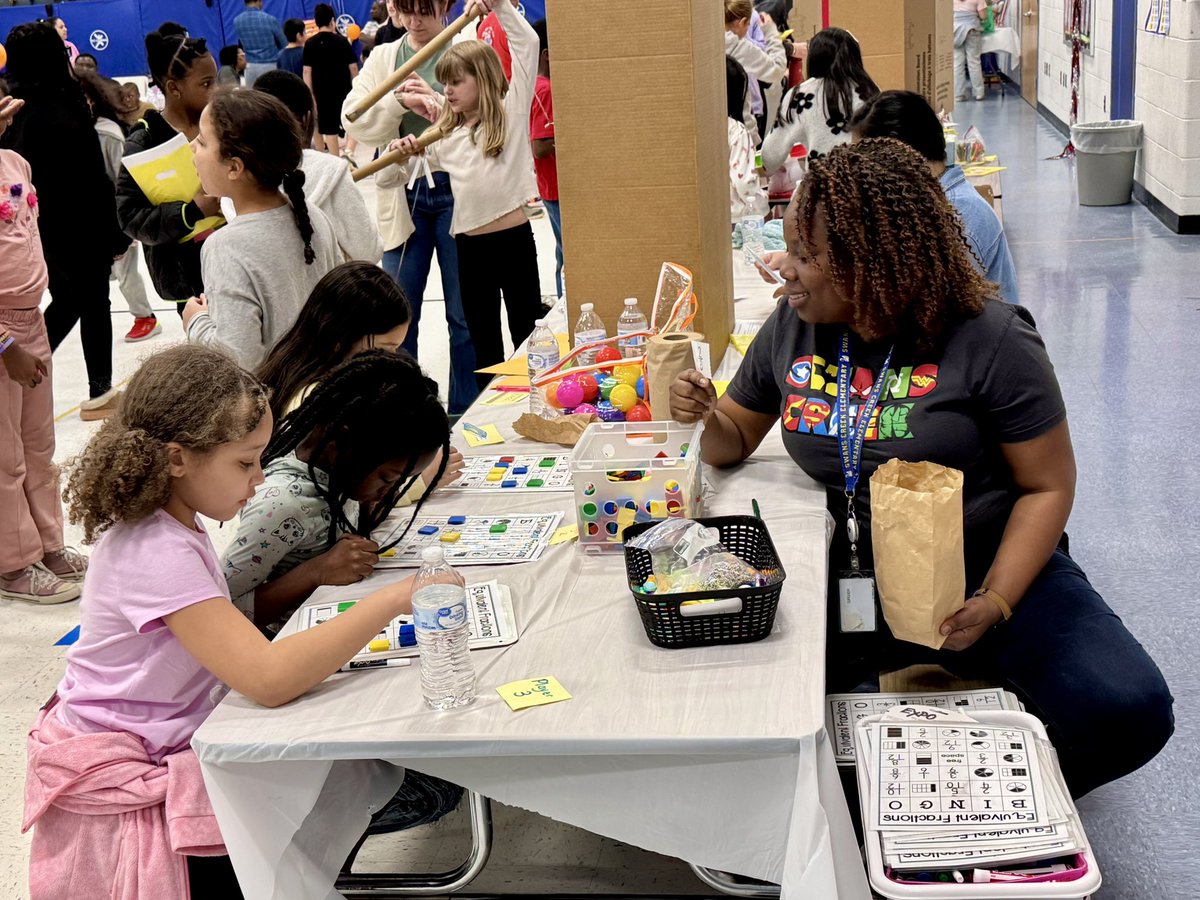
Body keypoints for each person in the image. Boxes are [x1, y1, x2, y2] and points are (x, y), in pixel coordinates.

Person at [669, 138, 1174, 799]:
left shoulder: (992, 338)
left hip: (985, 568)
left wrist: (996, 599)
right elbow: (733, 438)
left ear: (871, 261)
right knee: (755, 720)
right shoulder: (794, 327)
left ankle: (991, 814)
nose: (784, 269)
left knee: (1127, 707)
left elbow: (1047, 485)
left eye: (806, 256)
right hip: (851, 577)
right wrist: (704, 414)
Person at [25, 345, 419, 898]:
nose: (259, 477)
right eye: (245, 462)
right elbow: (268, 678)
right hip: (137, 758)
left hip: (170, 731)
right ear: (177, 459)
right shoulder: (156, 550)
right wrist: (397, 599)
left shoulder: (173, 522)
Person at [225, 349, 453, 630]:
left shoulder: (337, 469)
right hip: (287, 641)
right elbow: (221, 613)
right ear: (343, 444)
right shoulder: (282, 504)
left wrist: (368, 509)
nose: (390, 492)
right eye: (386, 479)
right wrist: (316, 572)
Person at [391, 0, 542, 393]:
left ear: (484, 79)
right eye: (445, 83)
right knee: (483, 343)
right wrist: (402, 152)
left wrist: (500, 6)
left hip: (513, 243)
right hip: (470, 251)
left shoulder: (509, 114)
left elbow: (527, 44)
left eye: (456, 82)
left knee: (526, 330)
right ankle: (491, 413)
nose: (447, 90)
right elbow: (404, 173)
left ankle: (535, 404)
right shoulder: (447, 137)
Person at [342, 0, 476, 416]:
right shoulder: (385, 56)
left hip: (459, 190)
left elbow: (490, 113)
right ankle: (405, 416)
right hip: (404, 192)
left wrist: (436, 103)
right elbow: (353, 119)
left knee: (464, 316)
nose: (415, 21)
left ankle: (464, 413)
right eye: (406, 10)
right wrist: (399, 102)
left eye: (425, 10)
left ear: (445, 5)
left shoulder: (466, 43)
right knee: (396, 317)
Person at [0, 22, 128, 421]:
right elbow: (93, 178)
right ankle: (99, 389)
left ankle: (25, 362)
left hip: (35, 229)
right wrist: (115, 233)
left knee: (71, 300)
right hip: (79, 225)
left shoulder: (13, 110)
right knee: (92, 302)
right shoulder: (66, 105)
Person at [0, 94, 88, 605]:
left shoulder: (16, 163)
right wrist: (5, 345)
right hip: (2, 334)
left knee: (38, 445)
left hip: (30, 319)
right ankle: (13, 563)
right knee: (5, 456)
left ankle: (47, 543)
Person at [183, 90, 339, 370]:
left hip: (275, 395)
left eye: (202, 141)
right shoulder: (312, 215)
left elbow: (238, 360)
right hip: (325, 383)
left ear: (234, 167)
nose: (192, 146)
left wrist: (196, 322)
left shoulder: (226, 247)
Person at [849, 90, 1018, 303]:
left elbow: (926, 304)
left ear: (898, 159)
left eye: (863, 166)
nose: (860, 178)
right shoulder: (923, 202)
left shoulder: (959, 215)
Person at [115, 24, 221, 319]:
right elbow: (129, 216)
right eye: (206, 84)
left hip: (236, 256)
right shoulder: (144, 141)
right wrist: (191, 212)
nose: (215, 91)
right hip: (187, 276)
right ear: (174, 88)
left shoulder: (222, 122)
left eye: (216, 80)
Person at [253, 69, 383, 263]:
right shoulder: (332, 171)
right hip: (332, 281)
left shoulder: (238, 182)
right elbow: (368, 251)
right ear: (307, 120)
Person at [78, 72, 161, 343]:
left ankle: (145, 316)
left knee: (126, 271)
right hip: (97, 218)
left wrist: (126, 224)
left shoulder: (108, 133)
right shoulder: (80, 129)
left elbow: (123, 182)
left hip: (118, 219)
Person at [761, 26, 879, 174]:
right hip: (868, 181)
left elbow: (770, 157)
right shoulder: (870, 90)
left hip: (822, 182)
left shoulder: (800, 95)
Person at [529, 18, 562, 299]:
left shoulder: (538, 86)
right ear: (548, 54)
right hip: (556, 188)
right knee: (568, 257)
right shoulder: (545, 90)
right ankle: (566, 306)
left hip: (552, 187)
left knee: (564, 254)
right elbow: (539, 146)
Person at [723, 0, 786, 145]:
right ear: (742, 23)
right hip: (740, 133)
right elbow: (776, 70)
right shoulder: (737, 47)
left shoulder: (708, 41)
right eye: (749, 25)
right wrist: (770, 31)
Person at [304, 3, 360, 160]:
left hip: (322, 92)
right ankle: (349, 153)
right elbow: (353, 67)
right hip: (343, 89)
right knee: (351, 120)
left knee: (329, 128)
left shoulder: (310, 43)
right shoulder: (342, 41)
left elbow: (307, 71)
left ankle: (335, 160)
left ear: (316, 22)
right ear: (332, 21)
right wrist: (357, 86)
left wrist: (310, 94)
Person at [726, 56, 766, 223]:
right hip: (737, 218)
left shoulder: (700, 129)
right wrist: (763, 207)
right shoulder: (736, 130)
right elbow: (745, 183)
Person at [233, 0, 287, 87]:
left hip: (250, 67)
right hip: (270, 66)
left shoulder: (237, 21)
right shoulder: (269, 19)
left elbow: (242, 43)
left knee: (254, 95)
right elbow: (284, 44)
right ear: (258, 1)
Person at [954, 0, 990, 102]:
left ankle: (959, 94)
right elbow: (983, 16)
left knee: (957, 64)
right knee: (974, 62)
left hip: (955, 31)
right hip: (972, 29)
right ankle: (979, 93)